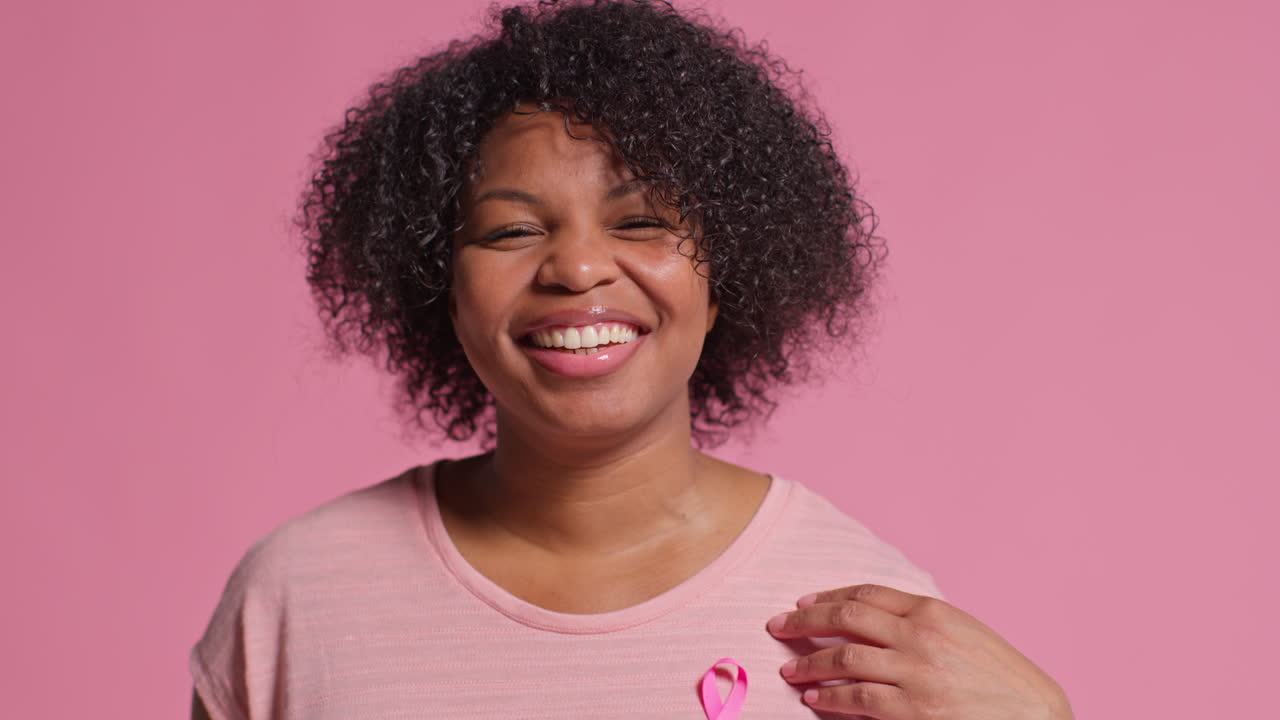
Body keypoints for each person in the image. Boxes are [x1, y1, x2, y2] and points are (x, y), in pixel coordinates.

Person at [190, 1, 1074, 718]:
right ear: (438, 287)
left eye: (642, 220)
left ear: (731, 267)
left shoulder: (868, 624)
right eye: (511, 230)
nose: (576, 268)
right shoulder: (295, 598)